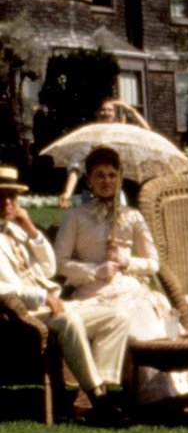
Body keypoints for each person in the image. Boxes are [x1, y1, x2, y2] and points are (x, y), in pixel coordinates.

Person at [0, 167, 130, 419]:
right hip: (23, 313)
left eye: (11, 197)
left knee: (117, 317)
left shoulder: (15, 230)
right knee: (69, 321)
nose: (7, 203)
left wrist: (30, 229)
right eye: (1, 196)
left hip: (51, 304)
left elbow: (49, 268)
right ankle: (100, 401)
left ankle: (89, 396)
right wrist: (40, 297)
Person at [53, 148, 176, 372]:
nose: (106, 181)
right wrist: (95, 270)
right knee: (124, 330)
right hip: (93, 294)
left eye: (112, 175)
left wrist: (126, 260)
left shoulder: (133, 216)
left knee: (151, 333)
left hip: (130, 291)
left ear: (119, 178)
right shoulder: (76, 216)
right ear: (89, 179)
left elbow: (153, 263)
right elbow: (59, 263)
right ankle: (108, 391)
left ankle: (163, 394)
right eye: (99, 175)